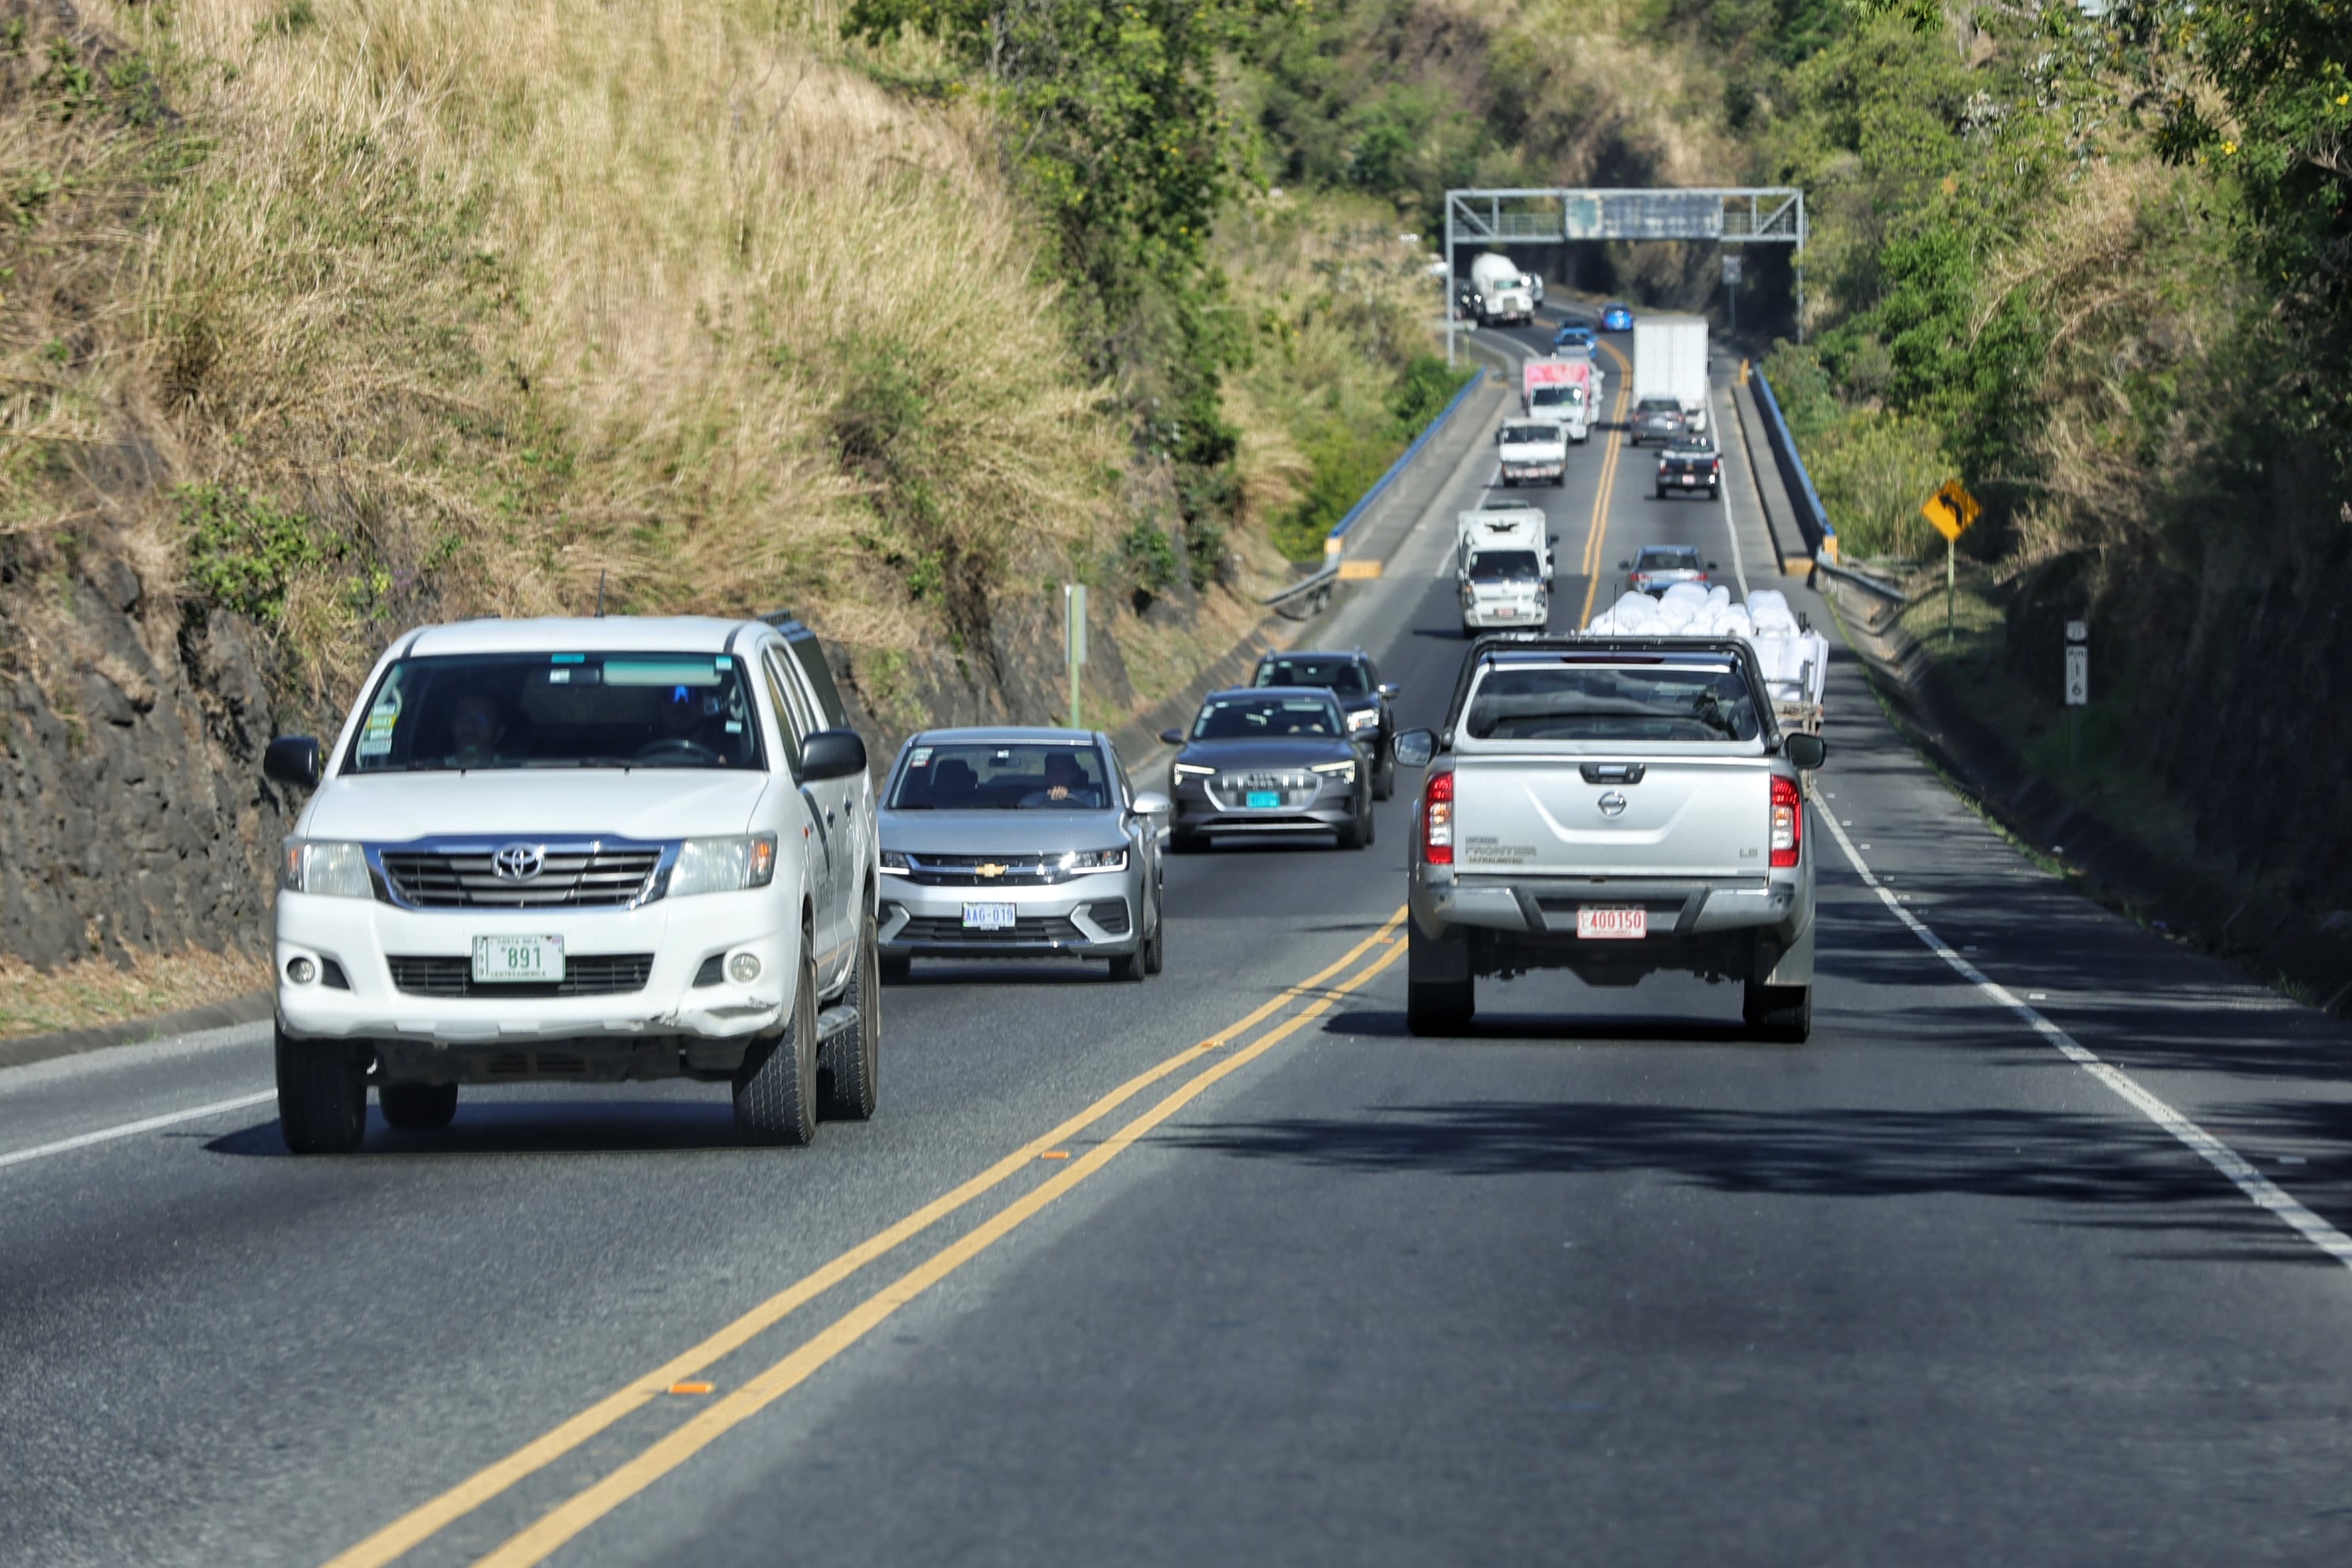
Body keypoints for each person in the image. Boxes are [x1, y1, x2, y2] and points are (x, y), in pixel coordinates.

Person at [445, 692, 509, 768]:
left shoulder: (515, 773)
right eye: (464, 718)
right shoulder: (431, 771)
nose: (470, 728)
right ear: (453, 724)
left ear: (499, 733)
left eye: (482, 721)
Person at [1019, 750, 1102, 808]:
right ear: (1047, 775)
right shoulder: (1030, 801)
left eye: (1063, 771)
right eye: (1054, 771)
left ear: (1073, 774)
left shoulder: (1092, 799)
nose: (1058, 775)